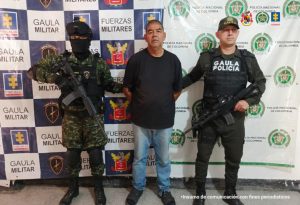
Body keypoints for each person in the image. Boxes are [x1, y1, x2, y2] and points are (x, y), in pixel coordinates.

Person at [27, 18, 123, 205]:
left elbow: (109, 84)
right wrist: (55, 78)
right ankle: (73, 189)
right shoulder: (61, 60)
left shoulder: (98, 63)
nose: (77, 40)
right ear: (70, 39)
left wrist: (127, 88)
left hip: (92, 117)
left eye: (82, 37)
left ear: (89, 39)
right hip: (71, 117)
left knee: (96, 155)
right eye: (74, 37)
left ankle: (99, 189)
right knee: (72, 156)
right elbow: (32, 71)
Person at [182, 16, 266, 205]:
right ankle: (200, 192)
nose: (229, 33)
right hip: (209, 118)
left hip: (234, 120)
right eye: (225, 30)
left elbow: (260, 82)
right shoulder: (207, 57)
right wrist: (171, 88)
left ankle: (230, 193)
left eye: (233, 30)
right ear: (218, 34)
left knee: (234, 158)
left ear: (237, 33)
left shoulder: (246, 58)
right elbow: (192, 77)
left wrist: (248, 101)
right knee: (202, 157)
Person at [123, 20, 182, 205]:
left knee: (163, 159)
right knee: (139, 158)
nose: (154, 34)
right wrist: (141, 103)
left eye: (158, 31)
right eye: (150, 31)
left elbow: (177, 89)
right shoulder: (136, 60)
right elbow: (126, 88)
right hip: (140, 121)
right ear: (145, 36)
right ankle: (137, 187)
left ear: (164, 35)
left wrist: (162, 103)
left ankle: (164, 189)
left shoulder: (173, 60)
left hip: (164, 121)